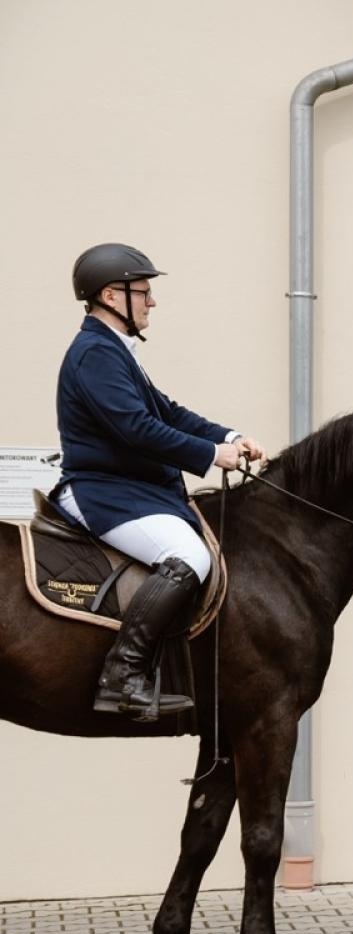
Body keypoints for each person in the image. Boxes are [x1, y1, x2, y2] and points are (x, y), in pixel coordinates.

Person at [52, 243, 264, 721]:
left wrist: (231, 436)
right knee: (189, 556)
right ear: (111, 295)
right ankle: (123, 674)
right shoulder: (93, 353)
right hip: (103, 492)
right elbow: (135, 429)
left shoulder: (114, 350)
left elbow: (168, 413)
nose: (152, 302)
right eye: (143, 292)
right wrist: (212, 455)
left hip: (132, 491)